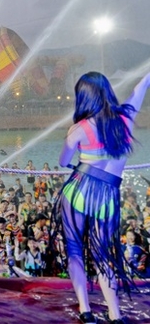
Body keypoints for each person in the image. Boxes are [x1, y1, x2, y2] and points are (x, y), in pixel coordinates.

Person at [53, 71, 150, 324]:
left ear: (83, 97)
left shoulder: (78, 129)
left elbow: (63, 161)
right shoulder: (125, 119)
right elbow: (140, 87)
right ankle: (115, 313)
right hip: (107, 197)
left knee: (75, 250)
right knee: (104, 255)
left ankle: (86, 311)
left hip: (78, 192)